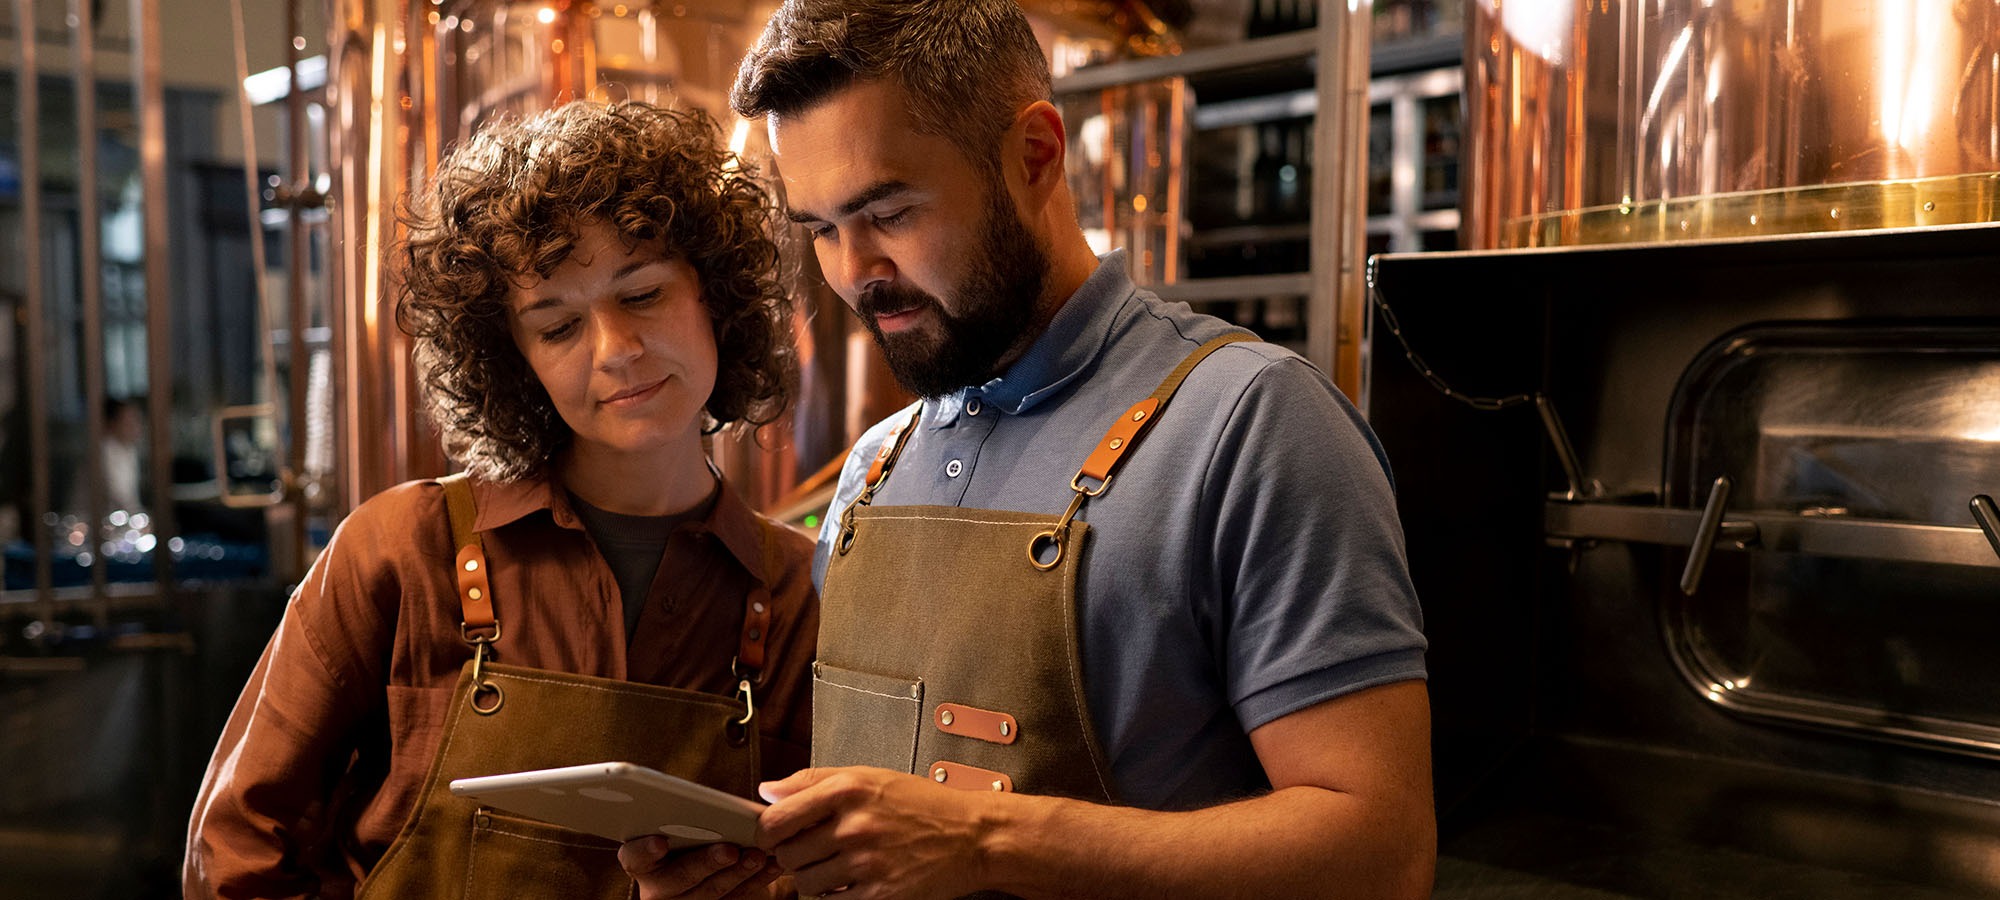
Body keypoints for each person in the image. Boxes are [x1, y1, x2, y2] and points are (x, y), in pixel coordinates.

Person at [621, 2, 1434, 898]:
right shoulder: (873, 471)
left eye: (888, 211)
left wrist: (990, 839)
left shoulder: (1252, 425)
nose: (853, 272)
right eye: (819, 230)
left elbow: (1383, 852)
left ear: (1036, 155)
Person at [185, 100, 818, 900]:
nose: (617, 351)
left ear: (716, 297)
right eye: (557, 328)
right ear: (514, 361)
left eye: (644, 294)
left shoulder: (799, 593)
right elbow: (234, 852)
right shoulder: (400, 552)